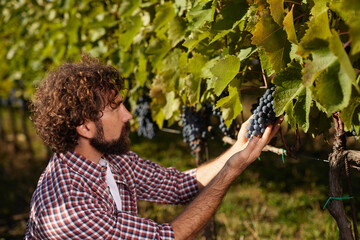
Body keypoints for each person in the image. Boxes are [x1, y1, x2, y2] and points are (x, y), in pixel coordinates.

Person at [25, 55, 282, 239]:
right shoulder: (70, 206)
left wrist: (237, 149)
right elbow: (167, 237)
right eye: (115, 108)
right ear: (85, 127)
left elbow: (180, 186)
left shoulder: (111, 159)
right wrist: (230, 172)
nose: (128, 116)